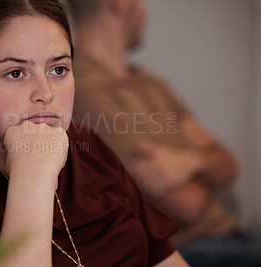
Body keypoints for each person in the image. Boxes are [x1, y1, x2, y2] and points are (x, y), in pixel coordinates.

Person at [0, 0, 189, 266]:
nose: (46, 93)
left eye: (59, 70)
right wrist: (33, 175)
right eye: (16, 73)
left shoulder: (87, 147)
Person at [67, 0, 261, 265]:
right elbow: (188, 206)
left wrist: (189, 163)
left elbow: (229, 165)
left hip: (233, 236)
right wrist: (206, 165)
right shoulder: (84, 91)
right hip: (187, 248)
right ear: (118, 4)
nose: (146, 13)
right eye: (140, 3)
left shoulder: (152, 84)